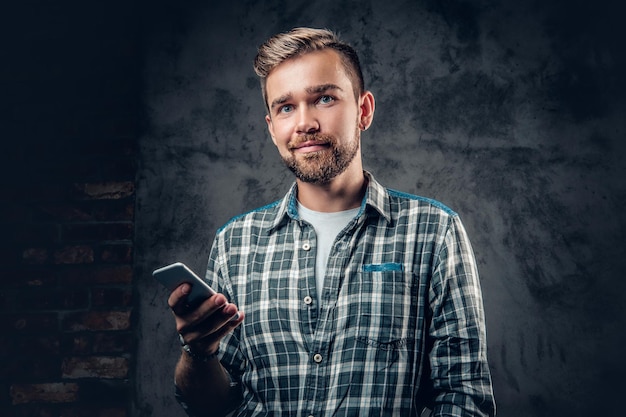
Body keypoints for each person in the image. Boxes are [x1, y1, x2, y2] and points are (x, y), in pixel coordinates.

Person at [168, 27, 496, 417]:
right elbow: (214, 407)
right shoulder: (234, 243)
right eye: (286, 107)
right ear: (272, 126)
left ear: (364, 111)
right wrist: (198, 353)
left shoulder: (433, 231)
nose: (304, 123)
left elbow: (464, 399)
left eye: (324, 98)